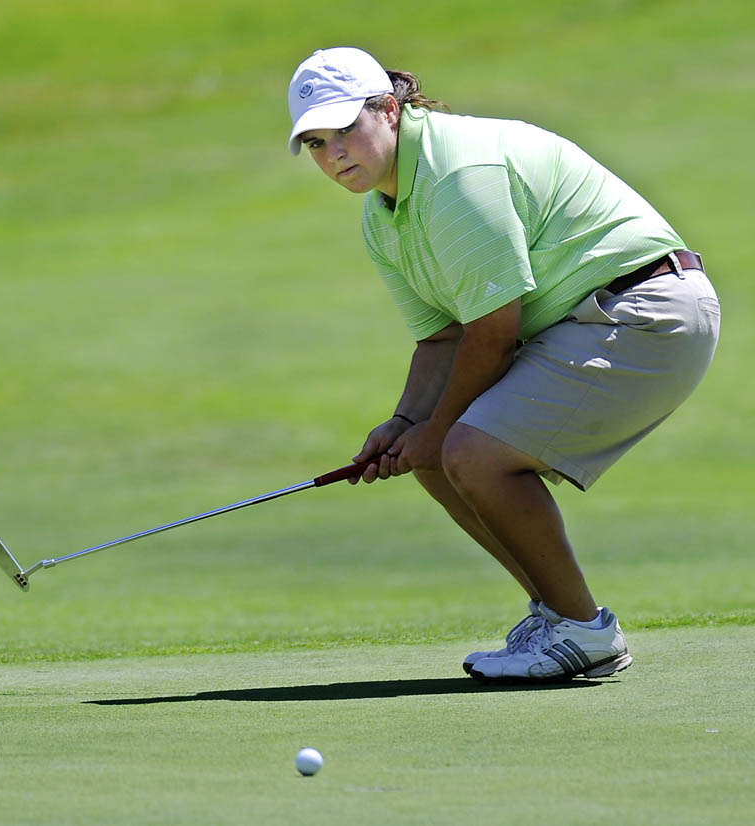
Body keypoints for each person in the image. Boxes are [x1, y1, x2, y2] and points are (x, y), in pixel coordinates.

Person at [286, 47, 720, 682]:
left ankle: (582, 631)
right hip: (586, 319)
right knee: (433, 453)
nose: (335, 155)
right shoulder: (382, 215)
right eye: (317, 143)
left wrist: (435, 433)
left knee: (466, 451)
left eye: (346, 129)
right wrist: (407, 421)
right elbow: (443, 339)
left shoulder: (457, 173)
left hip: (644, 309)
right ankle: (561, 617)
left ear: (388, 108)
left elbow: (493, 333)